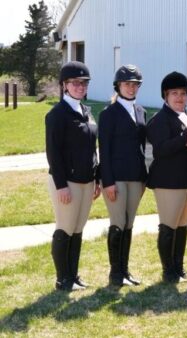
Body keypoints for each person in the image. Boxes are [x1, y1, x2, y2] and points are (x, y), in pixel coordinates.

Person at [45, 61, 101, 291]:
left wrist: (97, 178)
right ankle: (62, 279)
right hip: (66, 181)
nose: (80, 86)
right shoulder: (57, 114)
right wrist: (61, 186)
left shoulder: (86, 111)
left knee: (78, 229)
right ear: (65, 85)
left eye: (84, 82)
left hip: (87, 181)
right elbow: (53, 153)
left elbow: (92, 148)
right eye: (75, 83)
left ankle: (74, 275)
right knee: (66, 227)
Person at [147, 71, 187, 283]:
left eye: (183, 93)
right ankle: (168, 270)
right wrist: (185, 138)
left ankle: (179, 267)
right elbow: (160, 150)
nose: (180, 97)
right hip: (168, 182)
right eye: (175, 93)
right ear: (165, 96)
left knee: (182, 225)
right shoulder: (158, 120)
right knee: (168, 225)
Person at [98, 65, 147, 286]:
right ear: (118, 86)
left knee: (129, 224)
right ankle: (115, 273)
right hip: (116, 178)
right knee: (118, 222)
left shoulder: (141, 111)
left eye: (135, 84)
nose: (131, 87)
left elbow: (142, 147)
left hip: (136, 177)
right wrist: (106, 181)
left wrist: (144, 178)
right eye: (127, 84)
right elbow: (104, 149)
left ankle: (125, 271)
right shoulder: (108, 113)